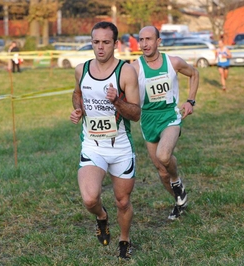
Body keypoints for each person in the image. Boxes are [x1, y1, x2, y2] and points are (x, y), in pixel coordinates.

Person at [70, 21, 140, 260]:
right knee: (90, 198)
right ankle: (101, 216)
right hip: (93, 145)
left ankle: (124, 239)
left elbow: (136, 114)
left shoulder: (126, 71)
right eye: (96, 42)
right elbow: (77, 93)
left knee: (122, 201)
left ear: (115, 44)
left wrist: (117, 101)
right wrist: (78, 109)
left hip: (120, 147)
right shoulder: (82, 69)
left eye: (105, 42)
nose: (100, 47)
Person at [131, 26, 199, 220]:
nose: (144, 44)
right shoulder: (134, 68)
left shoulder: (173, 62)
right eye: (141, 39)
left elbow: (194, 74)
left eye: (149, 39)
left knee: (163, 155)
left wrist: (190, 100)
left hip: (169, 116)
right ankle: (179, 201)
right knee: (161, 172)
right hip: (148, 120)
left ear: (158, 42)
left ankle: (177, 181)